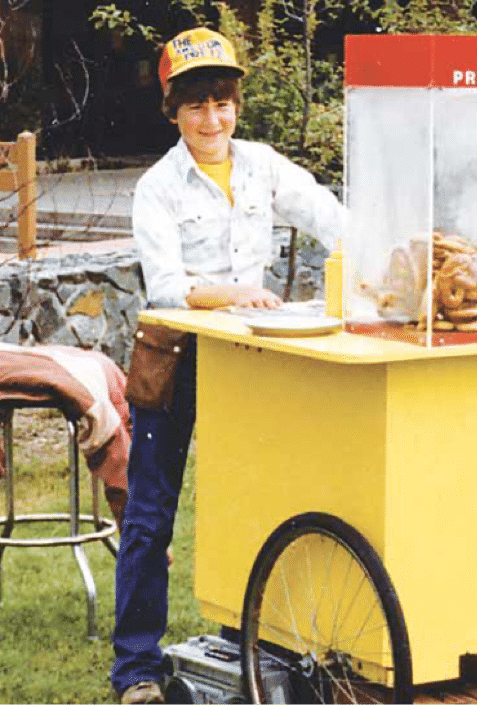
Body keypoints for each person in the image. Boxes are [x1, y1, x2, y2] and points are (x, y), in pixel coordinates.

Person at [111, 27, 344, 704]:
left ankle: (257, 644)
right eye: (195, 106)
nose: (211, 119)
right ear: (172, 111)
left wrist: (395, 252)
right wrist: (234, 292)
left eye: (221, 102)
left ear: (235, 103)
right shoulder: (157, 187)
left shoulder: (264, 166)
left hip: (251, 363)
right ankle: (137, 670)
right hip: (175, 360)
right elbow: (163, 286)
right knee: (152, 516)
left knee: (262, 502)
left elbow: (332, 217)